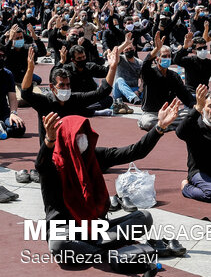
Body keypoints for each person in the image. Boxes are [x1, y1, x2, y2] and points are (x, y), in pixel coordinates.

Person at [36, 100, 181, 264]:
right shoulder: (53, 164)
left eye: (84, 133)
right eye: (77, 134)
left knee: (144, 217)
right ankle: (106, 252)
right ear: (66, 137)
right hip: (65, 231)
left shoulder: (93, 156)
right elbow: (40, 164)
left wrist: (160, 128)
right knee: (58, 244)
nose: (82, 138)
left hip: (96, 228)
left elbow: (134, 151)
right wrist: (48, 140)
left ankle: (92, 250)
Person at [21, 47, 118, 144]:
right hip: (50, 153)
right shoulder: (44, 102)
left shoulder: (75, 99)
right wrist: (30, 69)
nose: (65, 88)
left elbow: (102, 92)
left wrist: (112, 67)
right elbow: (26, 93)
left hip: (70, 150)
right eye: (61, 85)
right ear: (52, 87)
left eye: (68, 85)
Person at [138, 31, 195, 131]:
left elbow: (185, 95)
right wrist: (156, 49)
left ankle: (164, 126)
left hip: (170, 114)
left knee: (193, 113)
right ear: (157, 59)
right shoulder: (150, 73)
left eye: (169, 56)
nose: (167, 59)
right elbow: (145, 64)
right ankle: (171, 126)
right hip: (152, 114)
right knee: (148, 122)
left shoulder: (174, 76)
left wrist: (196, 107)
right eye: (164, 56)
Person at [173, 31, 211, 108]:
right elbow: (176, 60)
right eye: (200, 48)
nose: (203, 50)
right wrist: (185, 47)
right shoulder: (189, 60)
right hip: (191, 94)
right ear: (194, 51)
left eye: (204, 48)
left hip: (205, 94)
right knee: (192, 101)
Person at [0, 45, 25, 137]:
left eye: (2, 56)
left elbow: (12, 98)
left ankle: (2, 127)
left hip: (3, 113)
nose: (1, 58)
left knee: (19, 128)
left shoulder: (8, 74)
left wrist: (13, 113)